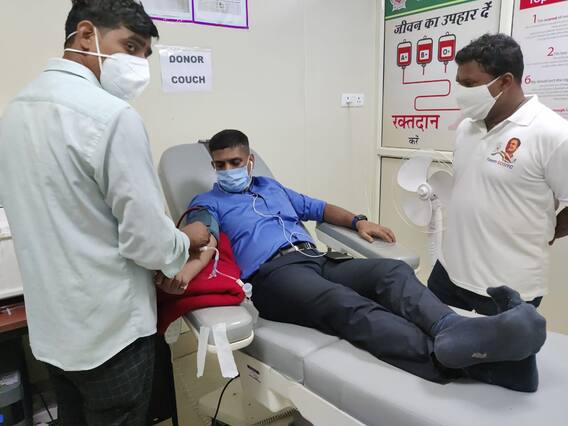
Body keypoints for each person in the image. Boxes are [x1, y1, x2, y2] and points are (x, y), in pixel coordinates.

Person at [158, 128, 547, 392]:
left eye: (235, 162)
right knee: (344, 303)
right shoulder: (208, 201)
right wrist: (181, 247)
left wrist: (359, 221)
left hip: (317, 259)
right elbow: (202, 233)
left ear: (249, 162)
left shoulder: (272, 188)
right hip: (274, 277)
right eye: (220, 165)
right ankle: (456, 360)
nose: (228, 171)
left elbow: (319, 208)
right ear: (213, 167)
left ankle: (454, 329)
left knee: (392, 272)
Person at [0, 1, 209, 424]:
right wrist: (188, 239)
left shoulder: (15, 112)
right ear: (85, 34)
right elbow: (148, 242)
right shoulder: (113, 117)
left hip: (53, 333)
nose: (137, 66)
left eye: (144, 55)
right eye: (130, 47)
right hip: (111, 336)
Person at [428, 34, 568, 316]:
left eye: (470, 85)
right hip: (449, 271)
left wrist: (550, 229)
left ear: (505, 81)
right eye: (459, 83)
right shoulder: (467, 127)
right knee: (432, 341)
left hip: (507, 288)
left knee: (495, 348)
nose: (461, 92)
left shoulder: (553, 134)